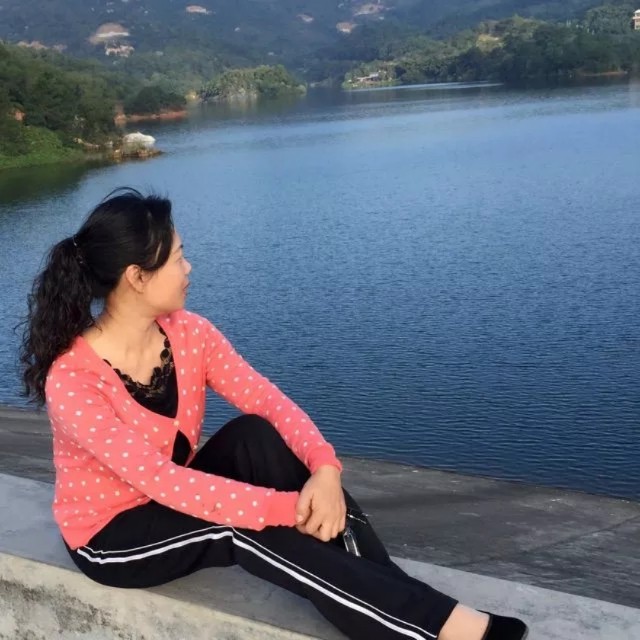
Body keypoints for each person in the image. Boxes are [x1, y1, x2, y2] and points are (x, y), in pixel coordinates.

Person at [20, 188, 528, 640]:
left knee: (255, 434)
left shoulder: (189, 332)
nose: (189, 268)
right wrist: (290, 509)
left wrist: (324, 470)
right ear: (136, 277)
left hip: (171, 496)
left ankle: (390, 586)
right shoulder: (74, 380)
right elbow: (161, 481)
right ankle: (429, 628)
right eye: (178, 258)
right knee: (239, 527)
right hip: (112, 538)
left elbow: (267, 400)